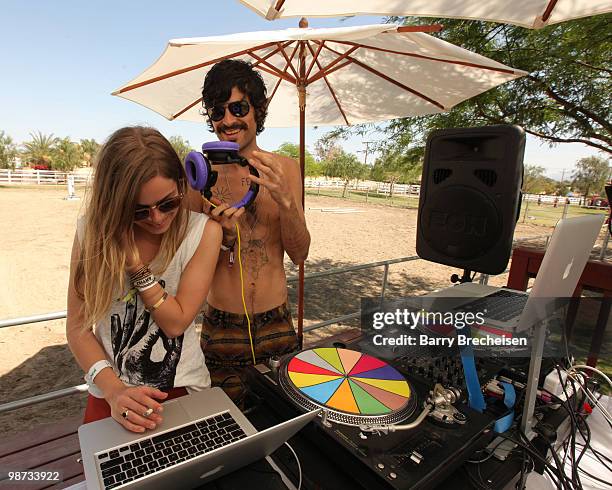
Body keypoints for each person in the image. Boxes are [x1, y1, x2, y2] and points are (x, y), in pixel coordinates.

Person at [66, 126, 222, 432]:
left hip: (184, 387)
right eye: (138, 211)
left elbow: (175, 323)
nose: (158, 219)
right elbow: (77, 326)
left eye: (168, 204)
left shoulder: (203, 232)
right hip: (111, 393)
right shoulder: (91, 231)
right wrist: (114, 391)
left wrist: (136, 269)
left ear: (181, 184)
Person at [187, 59, 311, 403]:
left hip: (277, 321)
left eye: (238, 107)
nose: (227, 120)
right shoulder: (198, 176)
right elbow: (183, 263)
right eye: (217, 111)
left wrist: (286, 200)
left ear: (258, 110)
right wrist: (220, 240)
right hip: (221, 325)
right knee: (224, 422)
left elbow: (300, 254)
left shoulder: (285, 169)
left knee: (283, 415)